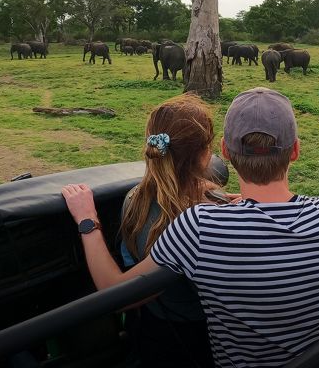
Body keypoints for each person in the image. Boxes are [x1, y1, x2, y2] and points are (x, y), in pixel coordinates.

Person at [63, 87, 319, 368]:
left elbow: (115, 291)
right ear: (294, 150)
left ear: (225, 151)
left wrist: (88, 222)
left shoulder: (197, 227)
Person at [91, 93, 228, 368]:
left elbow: (120, 294)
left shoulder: (135, 202)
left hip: (160, 332)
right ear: (204, 154)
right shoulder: (215, 205)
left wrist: (87, 221)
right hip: (209, 336)